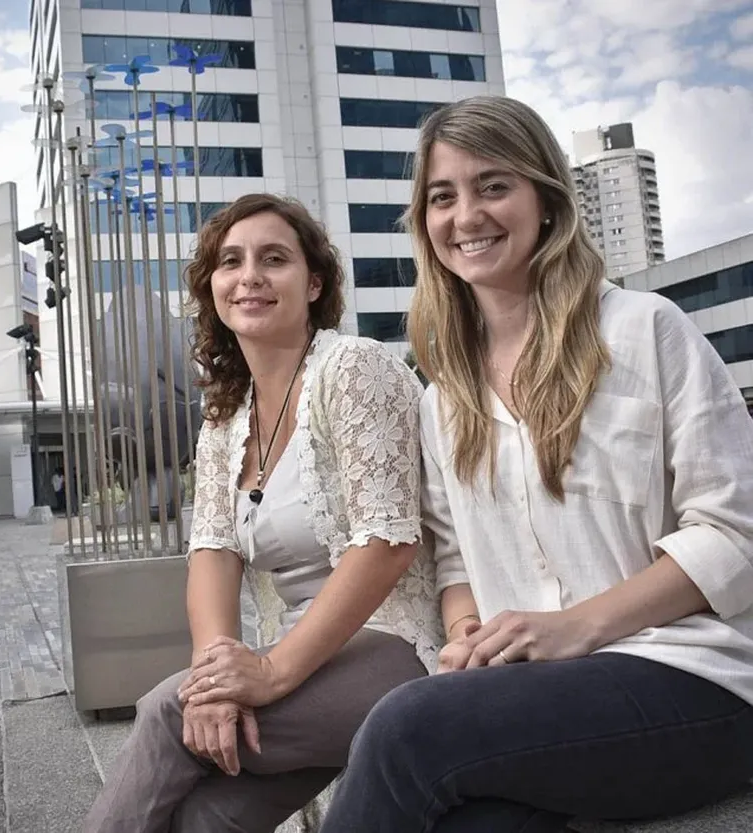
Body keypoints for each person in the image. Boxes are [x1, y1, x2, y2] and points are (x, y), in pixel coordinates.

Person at [319, 95, 753, 832]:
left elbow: (735, 534)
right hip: (545, 695)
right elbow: (455, 563)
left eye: (494, 185)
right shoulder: (442, 398)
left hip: (697, 678)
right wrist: (466, 636)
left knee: (405, 728)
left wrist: (575, 626)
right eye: (442, 197)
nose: (467, 216)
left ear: (546, 199)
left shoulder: (648, 331)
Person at [84, 193, 442, 833]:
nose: (248, 275)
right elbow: (213, 552)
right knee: (207, 816)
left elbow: (387, 542)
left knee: (167, 713)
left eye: (272, 259)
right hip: (303, 662)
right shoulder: (227, 416)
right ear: (211, 287)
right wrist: (218, 672)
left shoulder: (353, 368)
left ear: (313, 284)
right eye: (230, 262)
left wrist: (271, 672)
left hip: (399, 643)